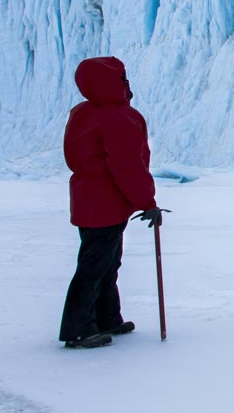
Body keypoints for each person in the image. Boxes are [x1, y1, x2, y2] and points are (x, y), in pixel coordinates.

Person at [58, 56, 163, 349]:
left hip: (87, 200)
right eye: (121, 78)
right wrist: (147, 202)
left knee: (104, 263)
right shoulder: (118, 118)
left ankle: (107, 318)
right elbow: (128, 166)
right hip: (106, 203)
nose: (126, 84)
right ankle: (78, 329)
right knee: (95, 266)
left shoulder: (82, 113)